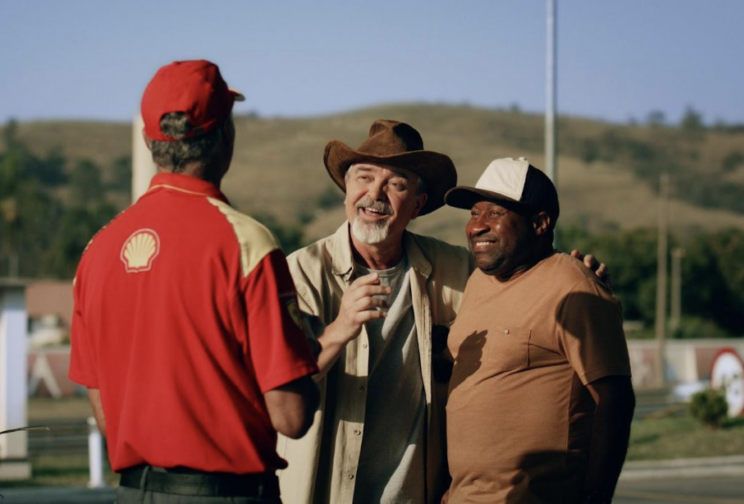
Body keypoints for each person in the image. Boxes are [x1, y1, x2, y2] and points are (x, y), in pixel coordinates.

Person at [277, 121, 609, 504]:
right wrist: (340, 328)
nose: (375, 194)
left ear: (418, 204)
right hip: (323, 489)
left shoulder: (459, 271)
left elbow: (524, 273)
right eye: (363, 178)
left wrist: (580, 273)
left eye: (397, 183)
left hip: (418, 493)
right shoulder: (297, 273)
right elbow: (275, 391)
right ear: (346, 191)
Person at [68, 60, 319, 504]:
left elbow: (106, 413)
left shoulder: (96, 251)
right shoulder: (246, 243)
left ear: (150, 142)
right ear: (226, 135)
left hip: (133, 493)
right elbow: (292, 415)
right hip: (225, 494)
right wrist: (309, 350)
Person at [442, 157, 635, 504]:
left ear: (540, 223)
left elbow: (615, 399)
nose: (476, 227)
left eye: (495, 214)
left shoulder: (574, 288)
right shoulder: (476, 282)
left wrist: (596, 496)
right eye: (474, 213)